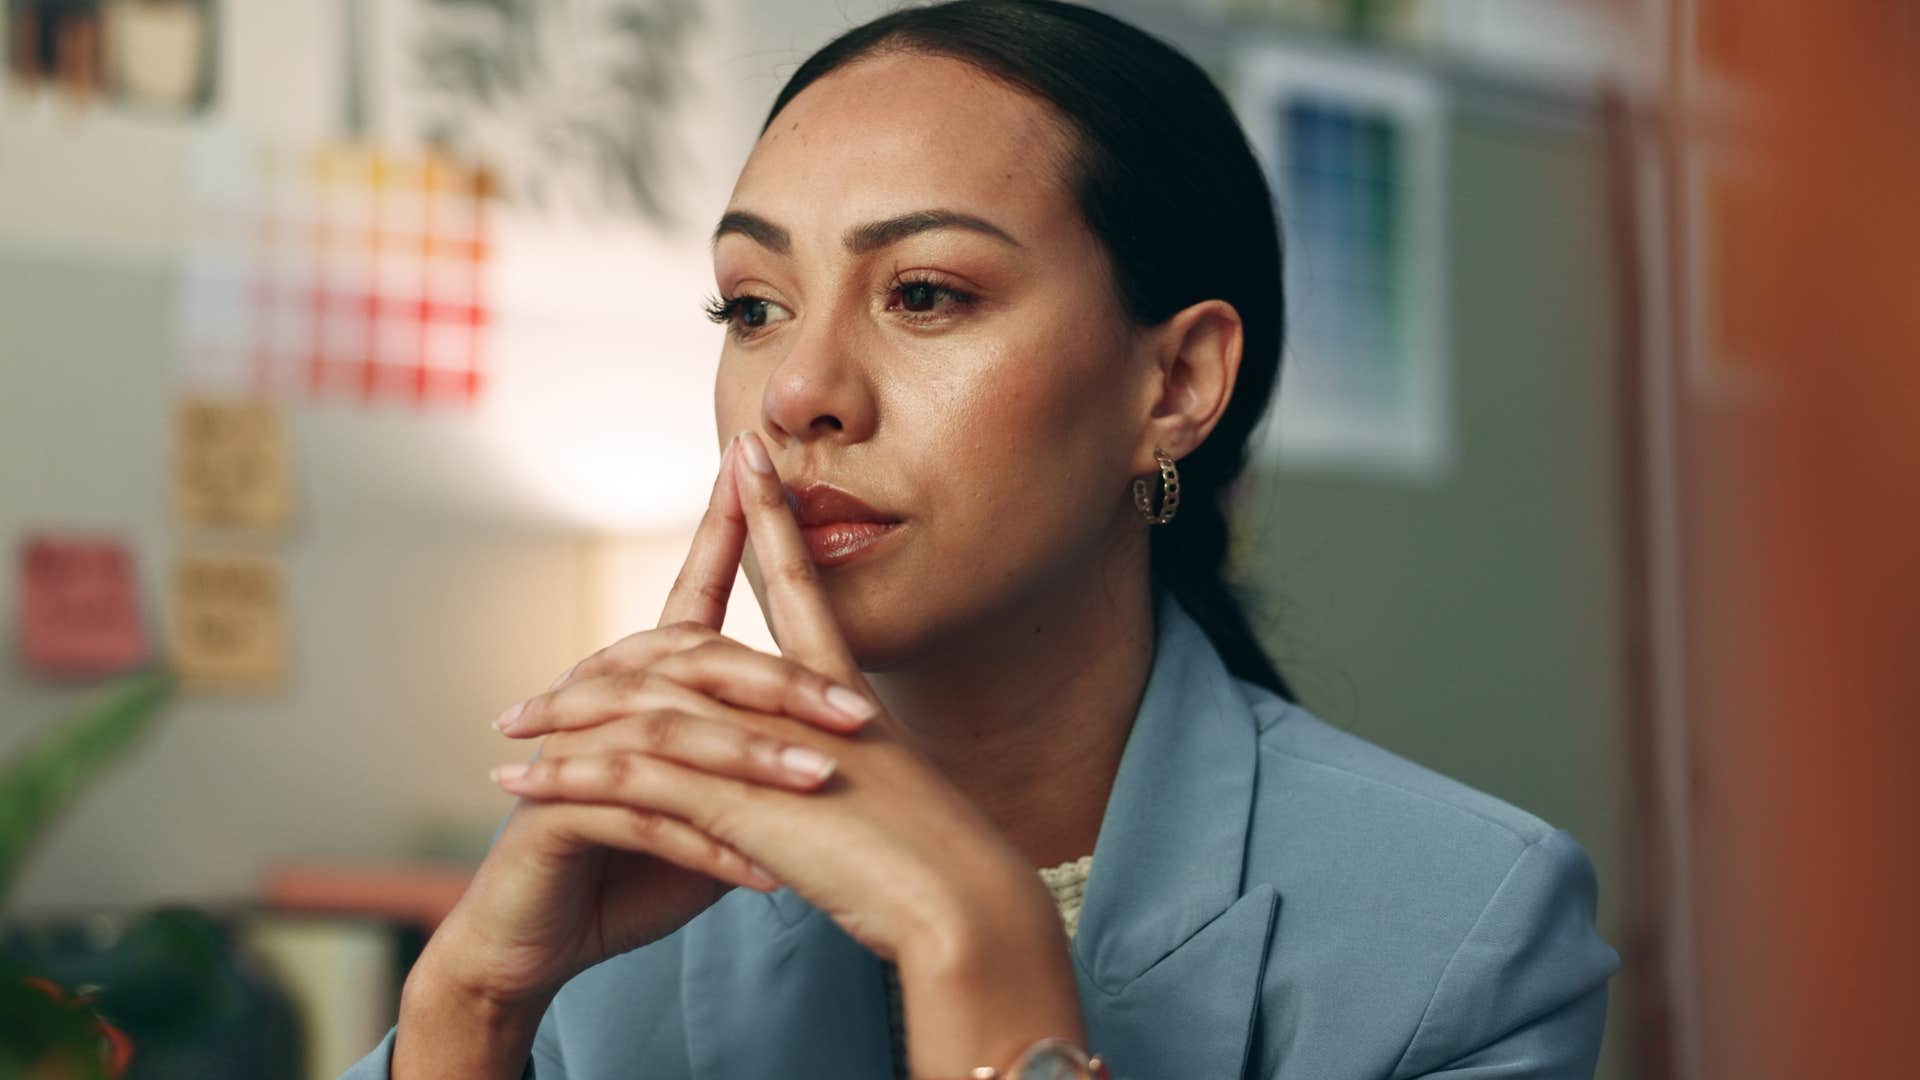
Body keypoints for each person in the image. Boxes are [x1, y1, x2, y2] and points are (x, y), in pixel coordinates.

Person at [342, 2, 1620, 1077]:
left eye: (925, 294)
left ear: (1173, 386)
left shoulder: (1465, 928)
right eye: (752, 306)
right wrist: (468, 1011)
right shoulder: (623, 903)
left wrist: (978, 941)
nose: (798, 392)